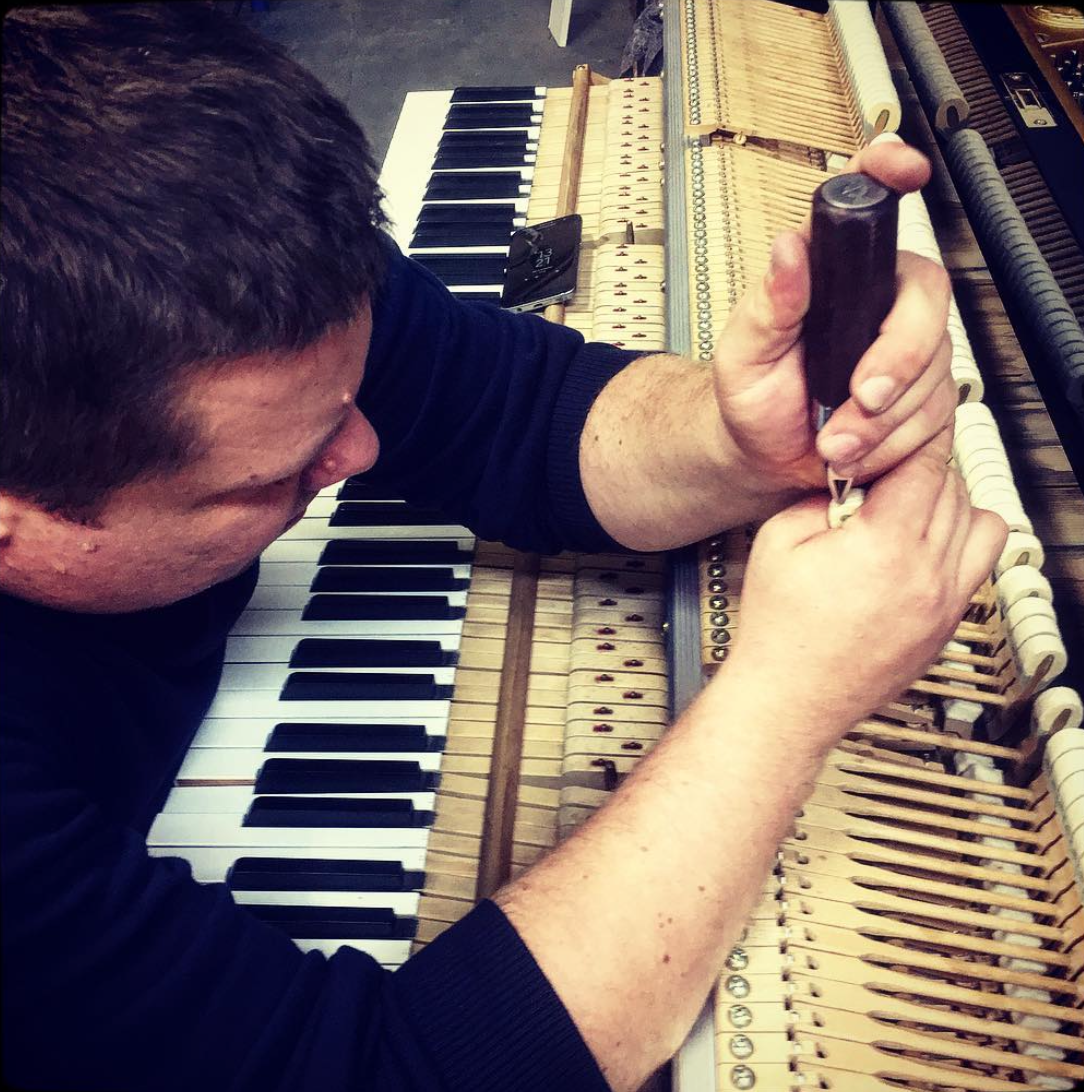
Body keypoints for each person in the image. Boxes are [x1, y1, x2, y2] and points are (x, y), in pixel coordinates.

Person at [0, 5, 1007, 1092]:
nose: (363, 450)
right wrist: (783, 699)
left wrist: (736, 442)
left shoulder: (192, 266)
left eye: (349, 396)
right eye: (267, 477)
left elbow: (500, 408)